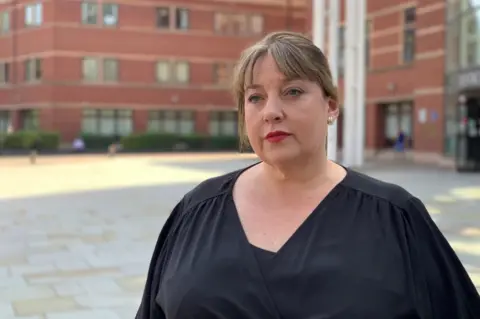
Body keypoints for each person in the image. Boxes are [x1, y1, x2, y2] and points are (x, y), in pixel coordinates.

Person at [136, 31, 480, 319]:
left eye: (293, 92)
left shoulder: (395, 216)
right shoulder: (196, 212)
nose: (271, 111)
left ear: (331, 106)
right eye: (255, 97)